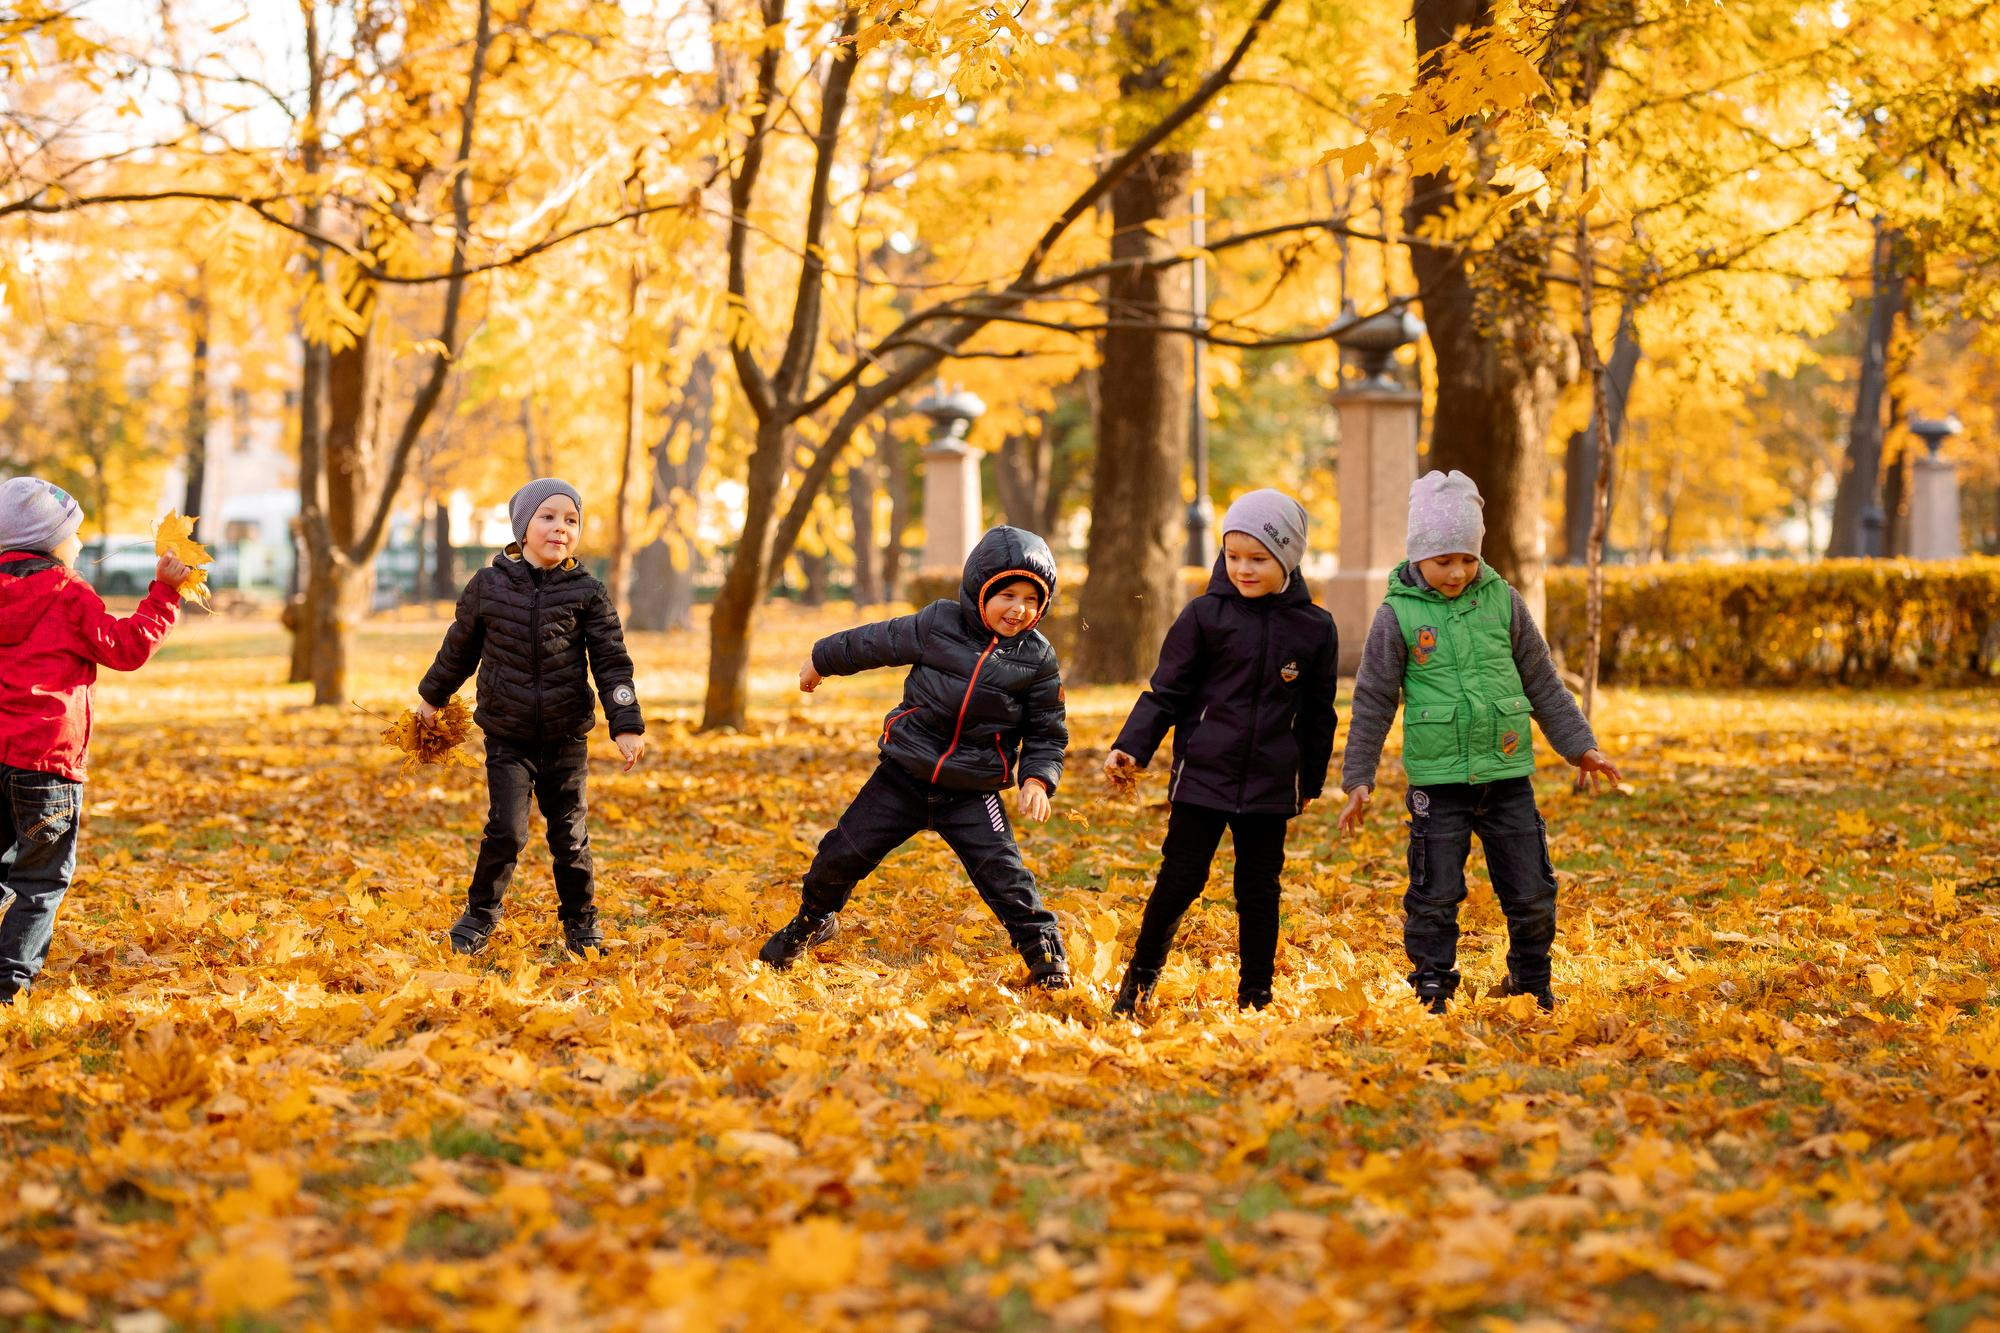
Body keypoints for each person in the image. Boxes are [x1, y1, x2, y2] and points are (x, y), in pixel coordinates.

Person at [1337, 470, 1621, 1012]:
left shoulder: (1503, 602)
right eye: (1443, 560)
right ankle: (1432, 983)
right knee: (1435, 892)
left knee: (1532, 890)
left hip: (1506, 774)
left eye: (1468, 558)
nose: (1457, 571)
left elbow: (1541, 680)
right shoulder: (1397, 614)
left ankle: (1531, 981)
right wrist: (1359, 778)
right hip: (1438, 782)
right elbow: (1373, 699)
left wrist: (1580, 746)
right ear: (1418, 554)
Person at [761, 526, 1073, 990]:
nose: (1019, 609)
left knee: (1006, 876)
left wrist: (1037, 780)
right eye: (1007, 595)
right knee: (840, 854)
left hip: (972, 790)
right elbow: (875, 641)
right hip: (903, 775)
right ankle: (812, 921)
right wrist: (822, 660)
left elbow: (1047, 731)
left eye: (1032, 600)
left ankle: (1045, 956)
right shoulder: (938, 624)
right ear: (980, 589)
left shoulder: (1038, 659)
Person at [1102, 490, 1338, 1013]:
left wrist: (1310, 781)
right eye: (1233, 556)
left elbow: (1319, 714)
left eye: (1259, 559)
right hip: (1203, 777)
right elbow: (1165, 692)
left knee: (1259, 889)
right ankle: (1138, 983)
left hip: (1271, 781)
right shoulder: (1204, 616)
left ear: (1287, 558)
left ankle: (1255, 994)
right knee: (1180, 880)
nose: (1243, 569)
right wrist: (1132, 746)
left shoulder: (1314, 628)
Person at [418, 478, 646, 958]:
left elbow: (611, 661)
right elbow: (458, 650)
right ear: (523, 528)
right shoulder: (488, 586)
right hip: (508, 736)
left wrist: (625, 723)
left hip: (566, 738)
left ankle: (581, 923)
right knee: (506, 831)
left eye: (571, 520)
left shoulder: (587, 592)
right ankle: (479, 915)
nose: (561, 527)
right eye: (548, 517)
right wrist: (432, 698)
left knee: (570, 836)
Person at [0, 477, 188, 1001]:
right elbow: (125, 648)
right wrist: (165, 594)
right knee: (39, 880)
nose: (80, 544)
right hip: (45, 763)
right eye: (74, 534)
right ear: (48, 541)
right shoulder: (68, 593)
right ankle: (8, 986)